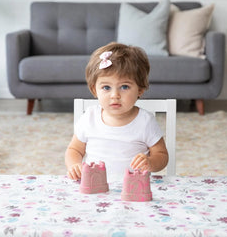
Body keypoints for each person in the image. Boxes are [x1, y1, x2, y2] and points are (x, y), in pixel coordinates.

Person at [65, 42, 168, 181]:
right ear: (95, 90)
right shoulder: (89, 117)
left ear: (140, 89)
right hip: (94, 186)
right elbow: (74, 150)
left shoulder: (145, 121)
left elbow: (161, 155)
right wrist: (75, 165)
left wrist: (150, 163)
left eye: (124, 87)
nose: (115, 95)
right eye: (106, 87)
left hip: (134, 189)